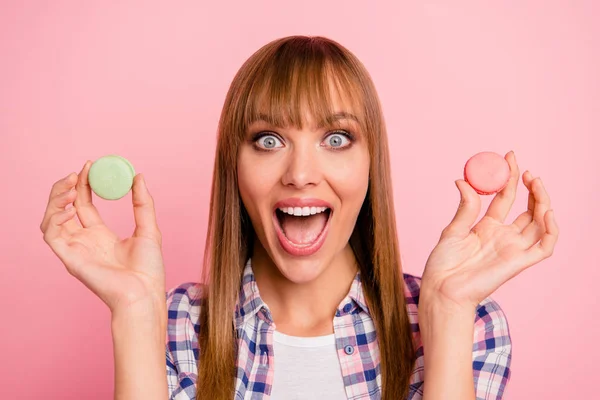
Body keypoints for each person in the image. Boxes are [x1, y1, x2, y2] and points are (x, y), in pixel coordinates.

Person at [40, 36, 559, 400]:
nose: (301, 174)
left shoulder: (470, 324)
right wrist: (134, 311)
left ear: (371, 163)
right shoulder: (175, 325)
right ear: (234, 169)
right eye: (269, 140)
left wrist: (447, 309)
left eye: (337, 139)